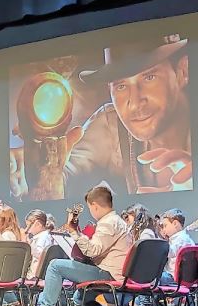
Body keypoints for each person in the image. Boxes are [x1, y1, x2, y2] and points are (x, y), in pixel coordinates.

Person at [12, 34, 191, 199]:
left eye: (149, 77)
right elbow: (62, 175)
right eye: (121, 86)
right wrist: (37, 172)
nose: (135, 102)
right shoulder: (110, 126)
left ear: (182, 72)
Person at [19, 185, 134, 306]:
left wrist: (74, 232)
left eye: (90, 208)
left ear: (94, 205)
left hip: (109, 274)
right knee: (80, 299)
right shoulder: (118, 222)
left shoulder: (108, 223)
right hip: (113, 273)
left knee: (55, 266)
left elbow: (92, 250)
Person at [155, 208, 195, 306]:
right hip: (185, 282)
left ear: (176, 224)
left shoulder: (178, 240)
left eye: (165, 226)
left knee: (146, 282)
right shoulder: (186, 238)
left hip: (173, 279)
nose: (164, 230)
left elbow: (165, 254)